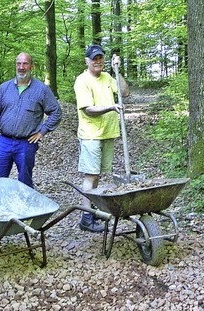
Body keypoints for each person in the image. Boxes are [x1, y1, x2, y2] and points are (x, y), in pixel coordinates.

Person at [74, 44, 129, 232]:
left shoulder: (107, 77)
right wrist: (111, 107)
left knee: (98, 175)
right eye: (94, 59)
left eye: (100, 58)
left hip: (108, 133)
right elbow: (88, 110)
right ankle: (86, 218)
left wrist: (117, 70)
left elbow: (124, 92)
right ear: (87, 61)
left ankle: (93, 211)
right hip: (91, 135)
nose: (98, 62)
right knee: (91, 175)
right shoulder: (82, 81)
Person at [0, 52, 62, 188]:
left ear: (31, 66)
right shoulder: (4, 88)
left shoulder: (42, 90)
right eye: (18, 63)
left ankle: (25, 207)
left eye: (25, 63)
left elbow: (56, 112)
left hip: (26, 143)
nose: (21, 67)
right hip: (3, 141)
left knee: (25, 182)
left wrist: (42, 132)